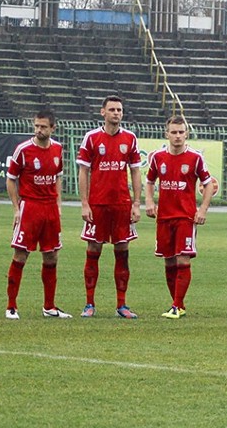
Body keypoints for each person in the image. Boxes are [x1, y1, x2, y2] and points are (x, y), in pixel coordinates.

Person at [145, 116, 217, 319]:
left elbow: (209, 183)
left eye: (181, 132)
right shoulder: (158, 157)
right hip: (164, 218)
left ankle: (176, 306)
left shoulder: (195, 158)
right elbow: (149, 181)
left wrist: (203, 209)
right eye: (174, 132)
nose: (178, 136)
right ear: (166, 134)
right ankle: (179, 304)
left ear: (186, 134)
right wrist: (149, 202)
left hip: (185, 217)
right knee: (169, 262)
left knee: (183, 259)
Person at [77, 95, 142, 319]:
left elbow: (135, 171)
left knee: (122, 252)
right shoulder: (91, 138)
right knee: (93, 251)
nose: (116, 113)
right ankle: (89, 303)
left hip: (122, 205)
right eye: (112, 109)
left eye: (119, 110)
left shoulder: (130, 139)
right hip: (97, 205)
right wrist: (84, 203)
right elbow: (84, 171)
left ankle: (122, 305)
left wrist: (136, 203)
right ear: (102, 112)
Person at [4, 109, 71, 320]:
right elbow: (10, 179)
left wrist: (58, 203)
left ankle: (49, 307)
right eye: (36, 126)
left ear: (53, 128)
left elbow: (58, 176)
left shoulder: (58, 149)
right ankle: (11, 306)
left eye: (43, 126)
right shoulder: (23, 150)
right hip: (30, 208)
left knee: (51, 256)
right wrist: (16, 209)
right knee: (21, 255)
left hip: (50, 209)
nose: (39, 130)